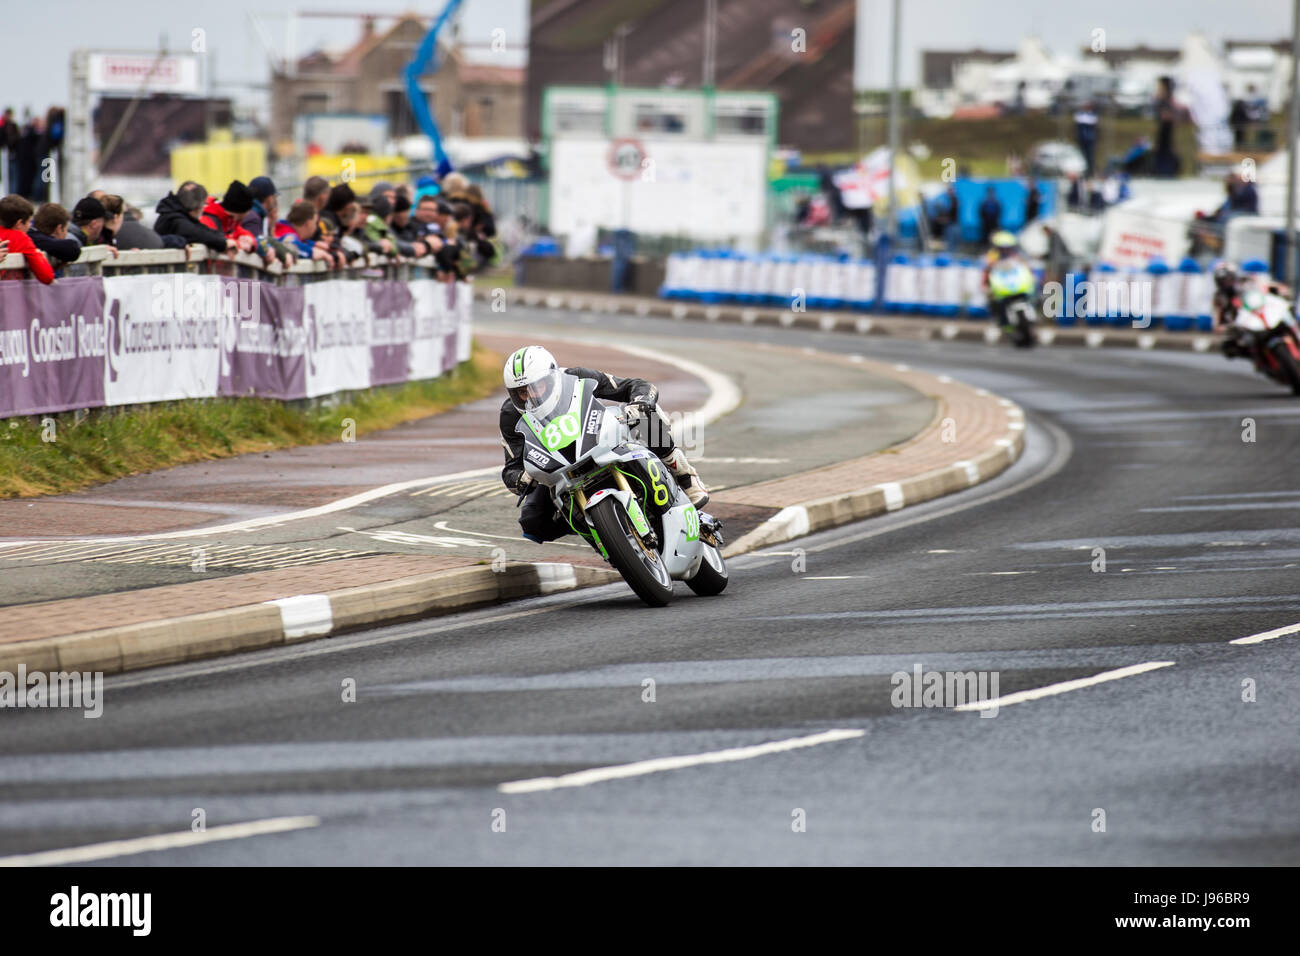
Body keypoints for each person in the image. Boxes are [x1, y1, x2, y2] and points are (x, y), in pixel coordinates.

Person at [499, 346, 711, 544]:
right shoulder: (510, 415)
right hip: (558, 468)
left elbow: (637, 386)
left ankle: (683, 474)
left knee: (645, 414)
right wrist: (521, 478)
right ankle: (603, 534)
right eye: (522, 392)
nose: (531, 395)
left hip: (599, 438)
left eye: (537, 386)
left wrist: (640, 401)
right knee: (532, 523)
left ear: (551, 377)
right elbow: (511, 467)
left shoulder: (575, 377)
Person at [154, 181, 238, 254]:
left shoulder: (173, 214)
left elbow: (200, 228)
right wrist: (223, 243)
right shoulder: (177, 221)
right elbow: (197, 233)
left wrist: (222, 240)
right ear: (197, 208)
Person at [0, 194, 54, 284]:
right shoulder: (21, 239)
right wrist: (38, 254)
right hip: (9, 293)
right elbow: (47, 277)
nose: (30, 226)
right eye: (29, 221)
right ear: (19, 223)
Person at [28, 202, 82, 274]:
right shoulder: (34, 238)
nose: (66, 234)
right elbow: (73, 248)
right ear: (59, 229)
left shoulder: (31, 235)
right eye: (66, 229)